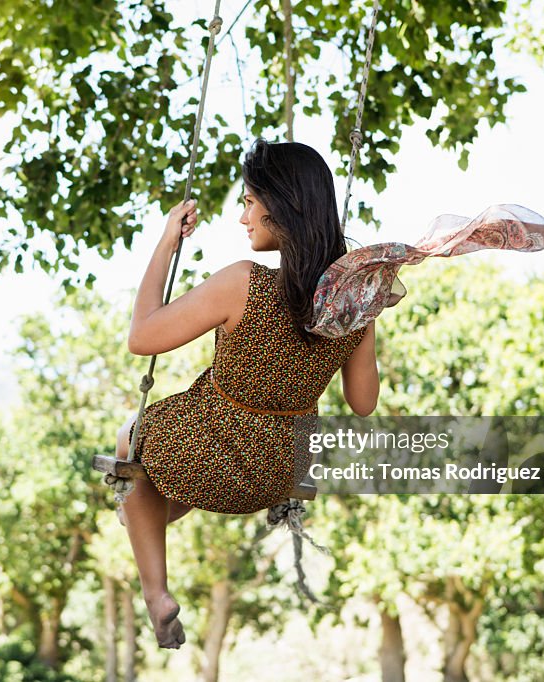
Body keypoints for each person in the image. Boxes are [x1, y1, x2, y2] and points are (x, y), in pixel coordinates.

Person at [115, 139, 380, 649]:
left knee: (132, 445)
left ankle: (157, 595)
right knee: (146, 498)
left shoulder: (244, 284)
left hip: (209, 452)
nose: (243, 218)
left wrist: (167, 241)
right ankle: (142, 518)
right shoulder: (351, 305)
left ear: (280, 206)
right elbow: (363, 402)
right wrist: (367, 317)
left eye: (249, 202)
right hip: (277, 472)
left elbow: (141, 337)